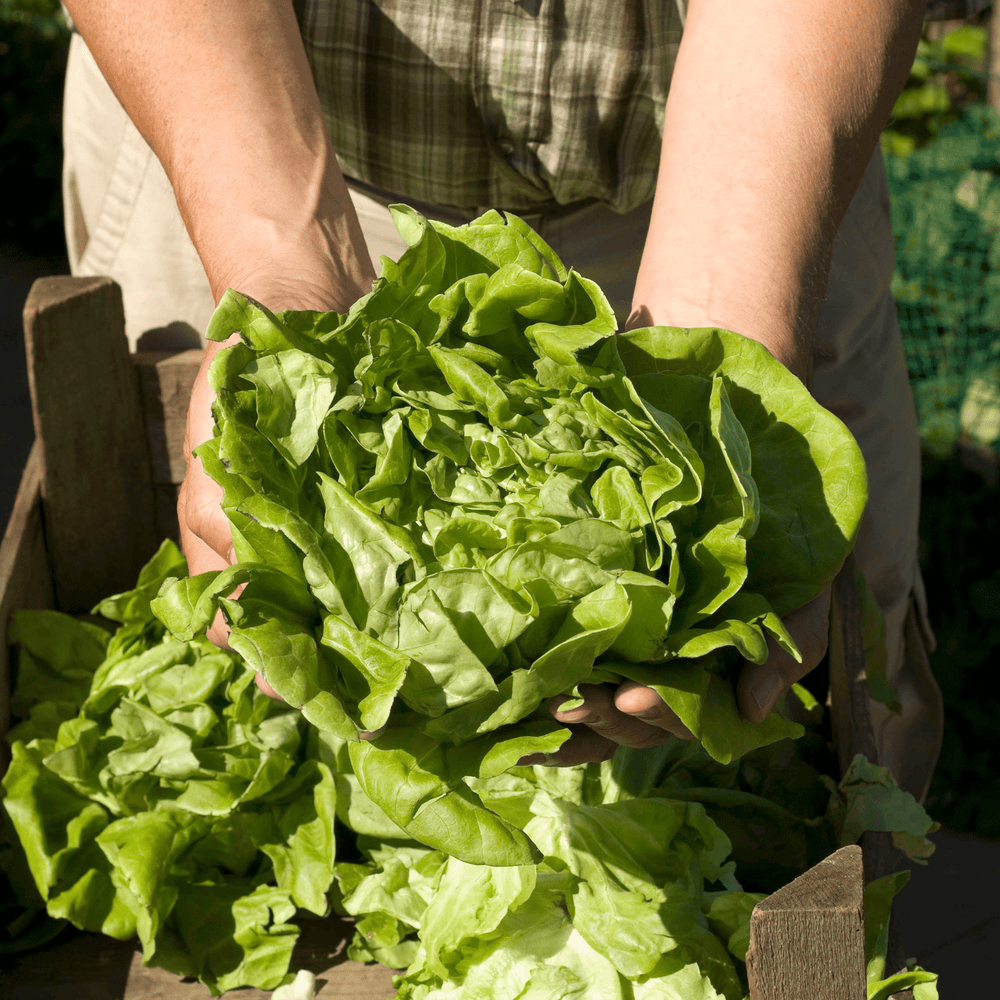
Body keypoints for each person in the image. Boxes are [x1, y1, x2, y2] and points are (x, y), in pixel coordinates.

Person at [61, 0, 942, 801]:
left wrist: (727, 323)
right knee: (222, 690)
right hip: (228, 121)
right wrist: (275, 267)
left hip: (757, 165)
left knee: (818, 724)